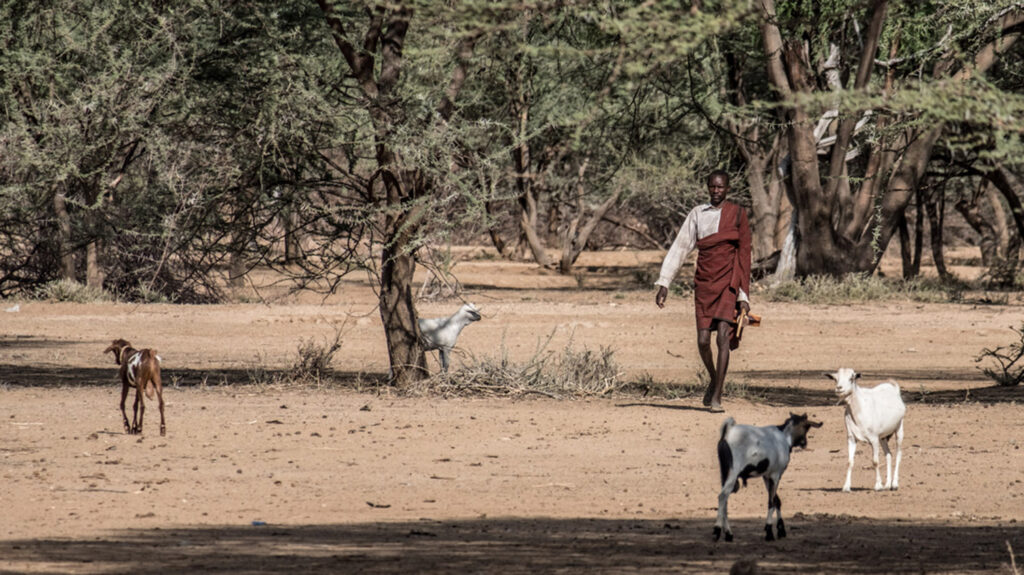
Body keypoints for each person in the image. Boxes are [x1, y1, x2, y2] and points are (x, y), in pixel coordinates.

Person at [655, 170, 751, 412]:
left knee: (722, 337)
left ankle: (717, 396)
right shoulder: (697, 213)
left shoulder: (738, 214)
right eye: (712, 187)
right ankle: (713, 378)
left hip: (729, 282)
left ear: (728, 188)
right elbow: (681, 246)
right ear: (708, 187)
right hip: (705, 284)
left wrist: (744, 296)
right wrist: (664, 282)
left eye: (720, 187)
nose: (716, 191)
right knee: (702, 340)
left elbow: (744, 258)